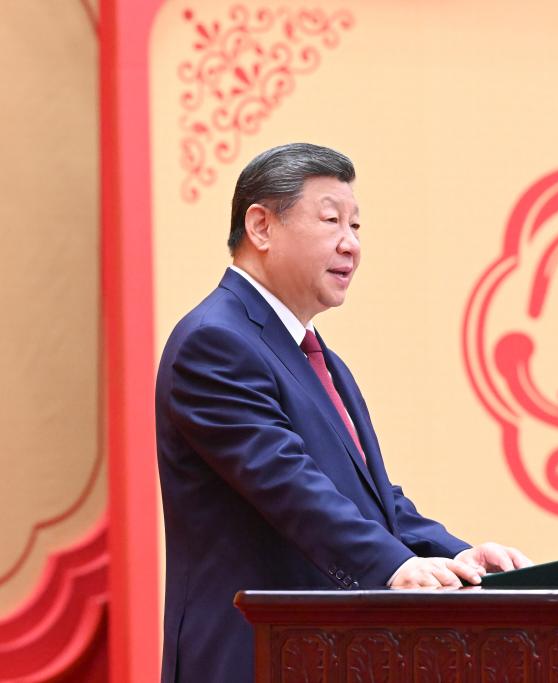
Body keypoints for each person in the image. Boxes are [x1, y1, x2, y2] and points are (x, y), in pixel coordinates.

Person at [155, 142, 530, 683]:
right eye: (331, 220)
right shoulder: (216, 342)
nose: (350, 245)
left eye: (356, 226)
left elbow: (373, 499)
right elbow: (290, 486)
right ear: (260, 226)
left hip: (322, 652)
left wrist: (462, 557)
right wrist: (394, 566)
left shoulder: (314, 354)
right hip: (249, 654)